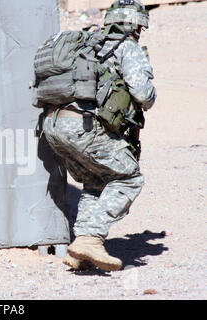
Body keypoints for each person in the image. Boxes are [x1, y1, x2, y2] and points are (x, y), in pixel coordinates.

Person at [42, 0, 156, 271]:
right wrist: (151, 95)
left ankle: (79, 249)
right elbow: (142, 94)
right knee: (129, 178)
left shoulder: (87, 44)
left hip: (54, 125)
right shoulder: (126, 47)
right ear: (134, 25)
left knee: (96, 179)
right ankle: (92, 238)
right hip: (83, 126)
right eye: (140, 26)